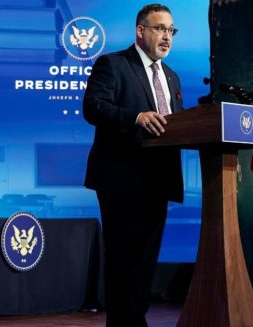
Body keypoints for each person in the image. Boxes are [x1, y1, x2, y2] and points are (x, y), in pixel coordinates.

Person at [83, 4, 184, 326]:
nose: (166, 36)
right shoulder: (113, 64)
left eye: (171, 30)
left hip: (159, 178)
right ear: (140, 31)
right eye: (159, 29)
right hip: (121, 177)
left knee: (145, 261)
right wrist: (135, 117)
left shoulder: (171, 76)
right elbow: (94, 108)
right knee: (124, 258)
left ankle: (136, 321)